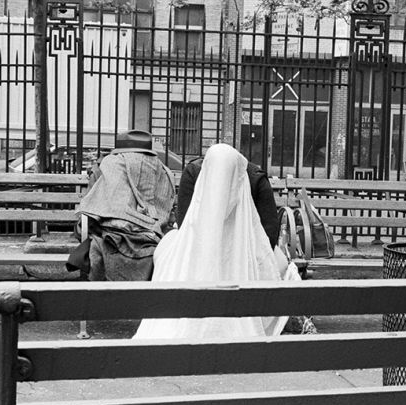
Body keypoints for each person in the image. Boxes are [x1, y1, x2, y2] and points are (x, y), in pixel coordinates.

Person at [133, 143, 299, 339]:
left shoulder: (196, 172)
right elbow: (269, 232)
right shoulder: (250, 175)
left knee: (167, 249)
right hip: (244, 250)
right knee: (278, 265)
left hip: (209, 248)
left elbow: (186, 223)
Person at [68, 130, 175, 281]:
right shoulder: (163, 170)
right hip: (154, 237)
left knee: (96, 243)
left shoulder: (111, 164)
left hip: (112, 236)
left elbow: (92, 210)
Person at [176, 152, 280, 249]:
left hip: (241, 246)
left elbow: (184, 223)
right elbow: (269, 232)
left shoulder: (256, 179)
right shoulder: (194, 173)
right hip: (243, 246)